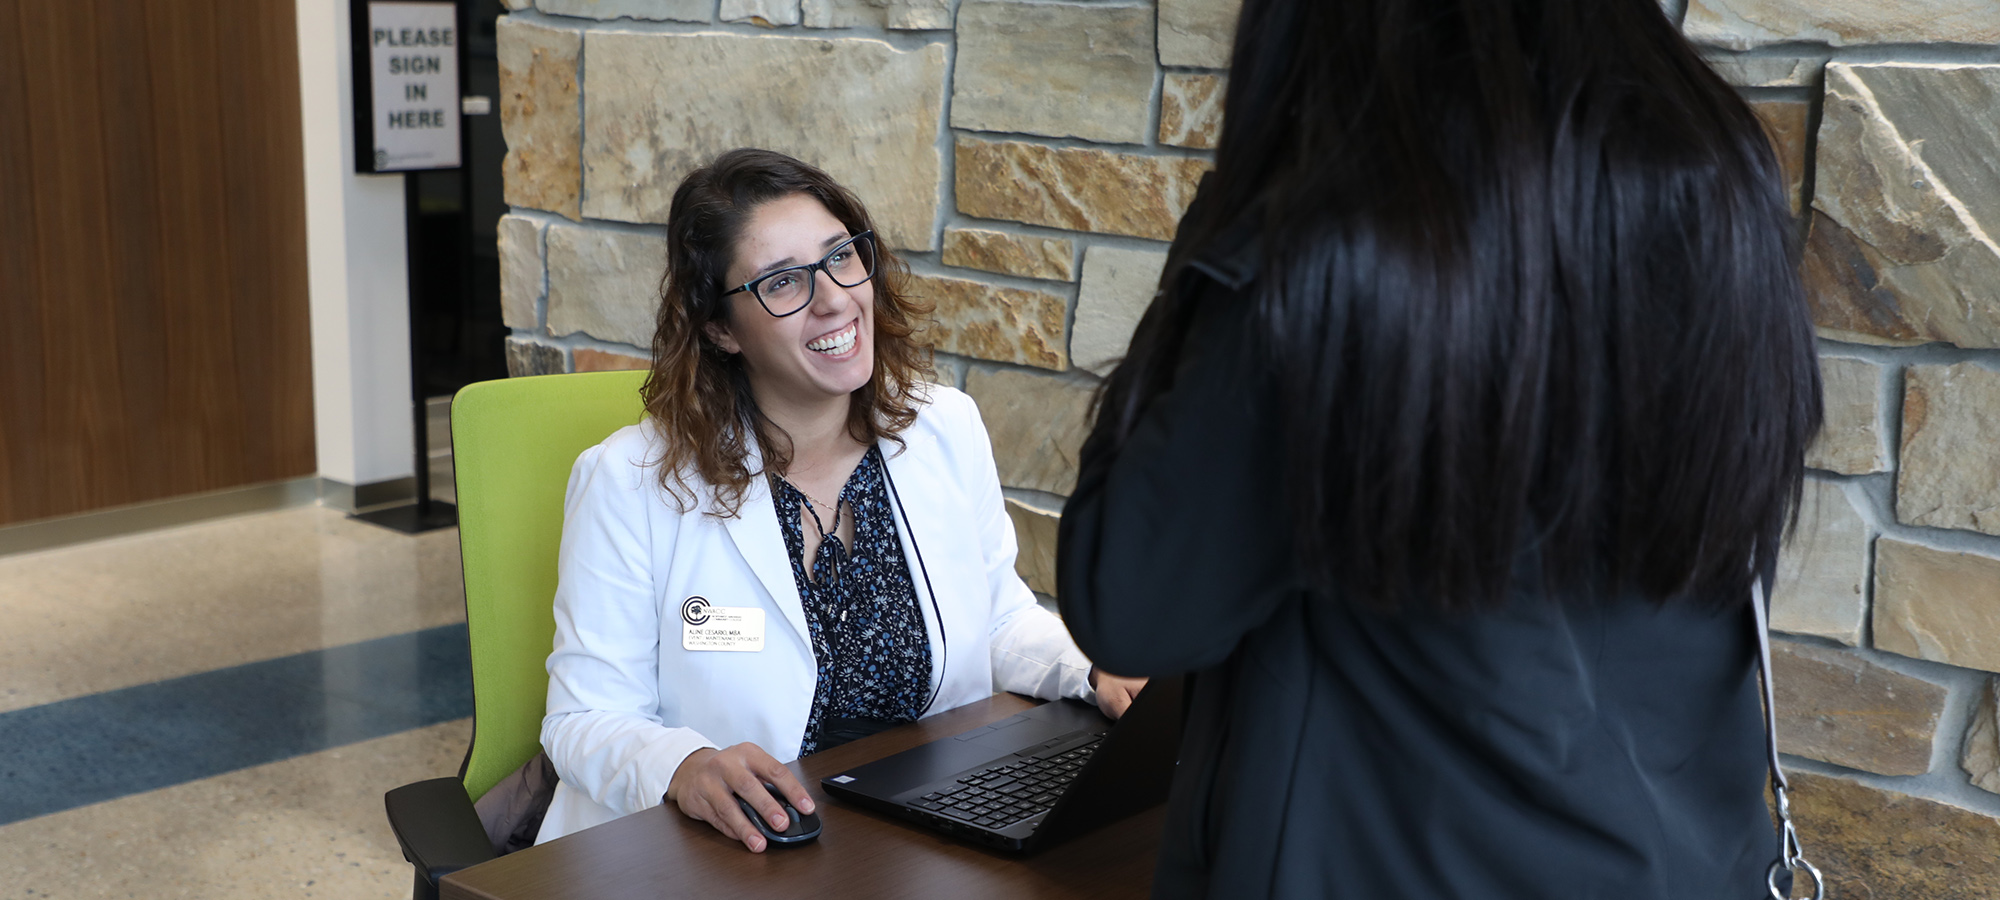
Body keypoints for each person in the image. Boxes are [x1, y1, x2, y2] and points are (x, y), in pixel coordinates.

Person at [1056, 0, 1821, 897]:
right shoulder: (1716, 189)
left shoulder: (1343, 252)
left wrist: (1236, 203)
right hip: (1676, 861)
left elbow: (1131, 602)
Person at [536, 148, 1143, 849]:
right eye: (783, 282)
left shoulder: (942, 426)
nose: (833, 298)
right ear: (720, 328)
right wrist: (685, 766)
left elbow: (997, 619)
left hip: (919, 825)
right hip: (728, 849)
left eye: (841, 258)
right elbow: (582, 718)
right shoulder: (631, 482)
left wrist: (1091, 664)